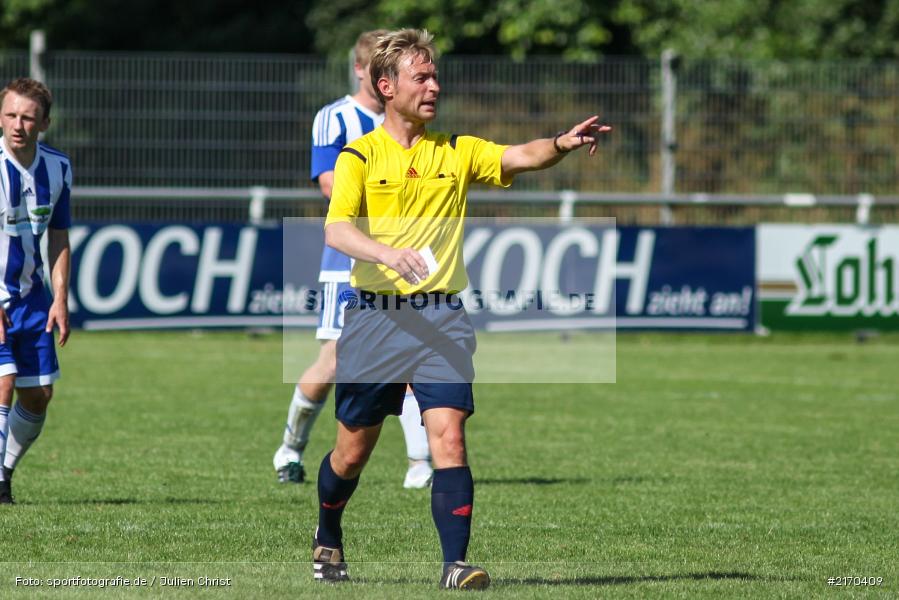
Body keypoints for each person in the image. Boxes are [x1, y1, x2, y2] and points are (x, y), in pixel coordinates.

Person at [311, 29, 611, 588]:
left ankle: (455, 565)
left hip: (442, 318)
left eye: (434, 76)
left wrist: (562, 144)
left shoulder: (456, 150)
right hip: (375, 318)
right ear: (386, 86)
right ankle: (328, 533)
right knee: (350, 455)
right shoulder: (359, 156)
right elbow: (336, 228)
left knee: (448, 437)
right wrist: (385, 253)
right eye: (420, 78)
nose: (434, 87)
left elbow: (519, 157)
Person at [273, 30, 433, 489]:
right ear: (365, 72)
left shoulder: (409, 125)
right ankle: (290, 448)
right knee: (335, 361)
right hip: (347, 261)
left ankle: (420, 465)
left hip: (401, 260)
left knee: (409, 360)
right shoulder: (336, 118)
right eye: (375, 68)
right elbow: (328, 185)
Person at [0, 78, 72, 505]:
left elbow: (59, 235)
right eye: (10, 115)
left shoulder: (58, 168)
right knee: (4, 381)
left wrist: (61, 298)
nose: (18, 125)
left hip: (33, 298)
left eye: (28, 117)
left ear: (44, 121)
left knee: (38, 394)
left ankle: (4, 472)